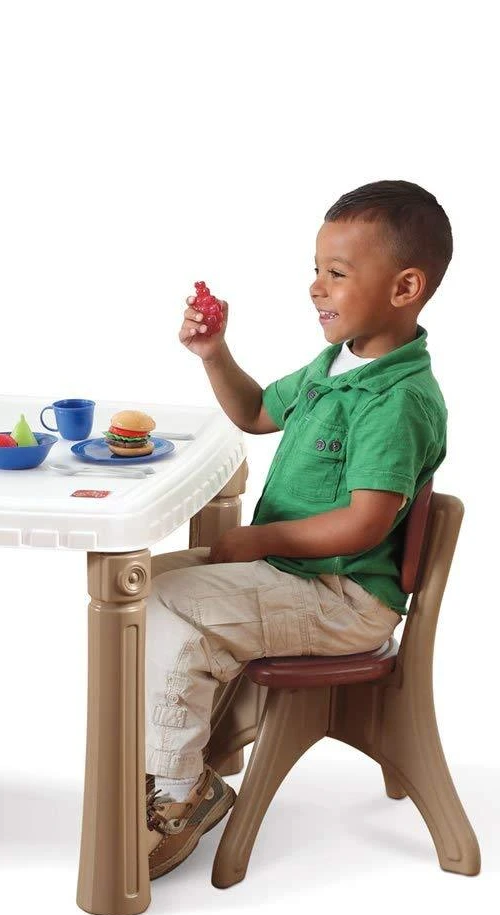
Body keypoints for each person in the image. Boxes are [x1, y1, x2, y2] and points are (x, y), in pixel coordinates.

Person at [144, 180, 450, 878]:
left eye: (337, 273)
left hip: (345, 598)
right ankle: (176, 756)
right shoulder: (333, 366)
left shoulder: (397, 399)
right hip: (299, 579)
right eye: (316, 269)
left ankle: (181, 792)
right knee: (141, 588)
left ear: (405, 287)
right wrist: (214, 353)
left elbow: (364, 522)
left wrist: (260, 540)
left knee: (167, 603)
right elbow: (256, 412)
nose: (316, 287)